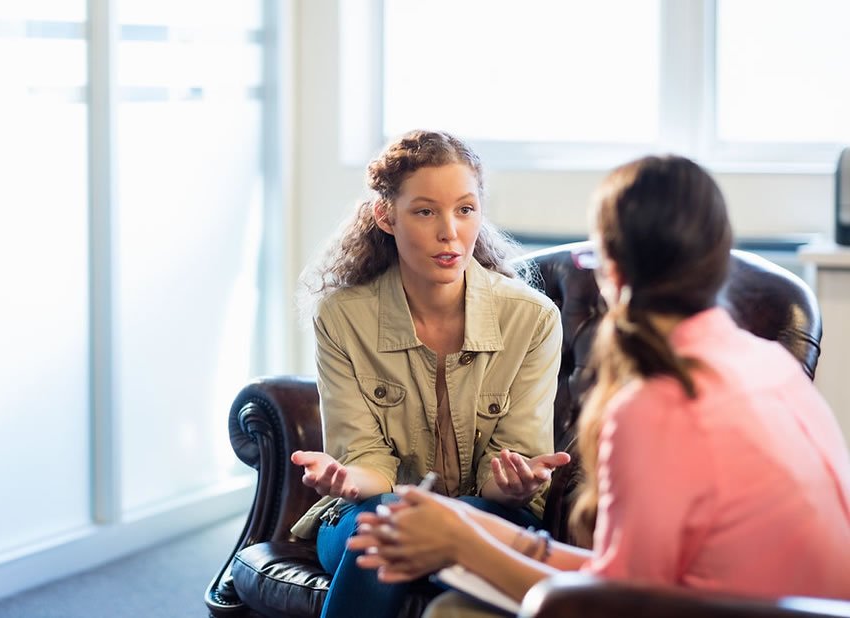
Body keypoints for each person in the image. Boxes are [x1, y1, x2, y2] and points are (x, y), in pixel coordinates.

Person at [348, 154, 850, 615]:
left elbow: (613, 603)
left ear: (613, 270)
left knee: (452, 612)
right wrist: (470, 525)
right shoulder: (769, 363)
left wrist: (461, 544)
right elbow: (624, 575)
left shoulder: (655, 406)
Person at [290, 130, 570, 618]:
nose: (450, 232)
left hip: (487, 513)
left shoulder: (533, 318)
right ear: (386, 216)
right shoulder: (340, 316)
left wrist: (514, 484)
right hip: (368, 511)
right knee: (385, 524)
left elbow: (508, 468)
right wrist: (348, 478)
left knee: (433, 526)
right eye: (425, 212)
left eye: (465, 209)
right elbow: (366, 459)